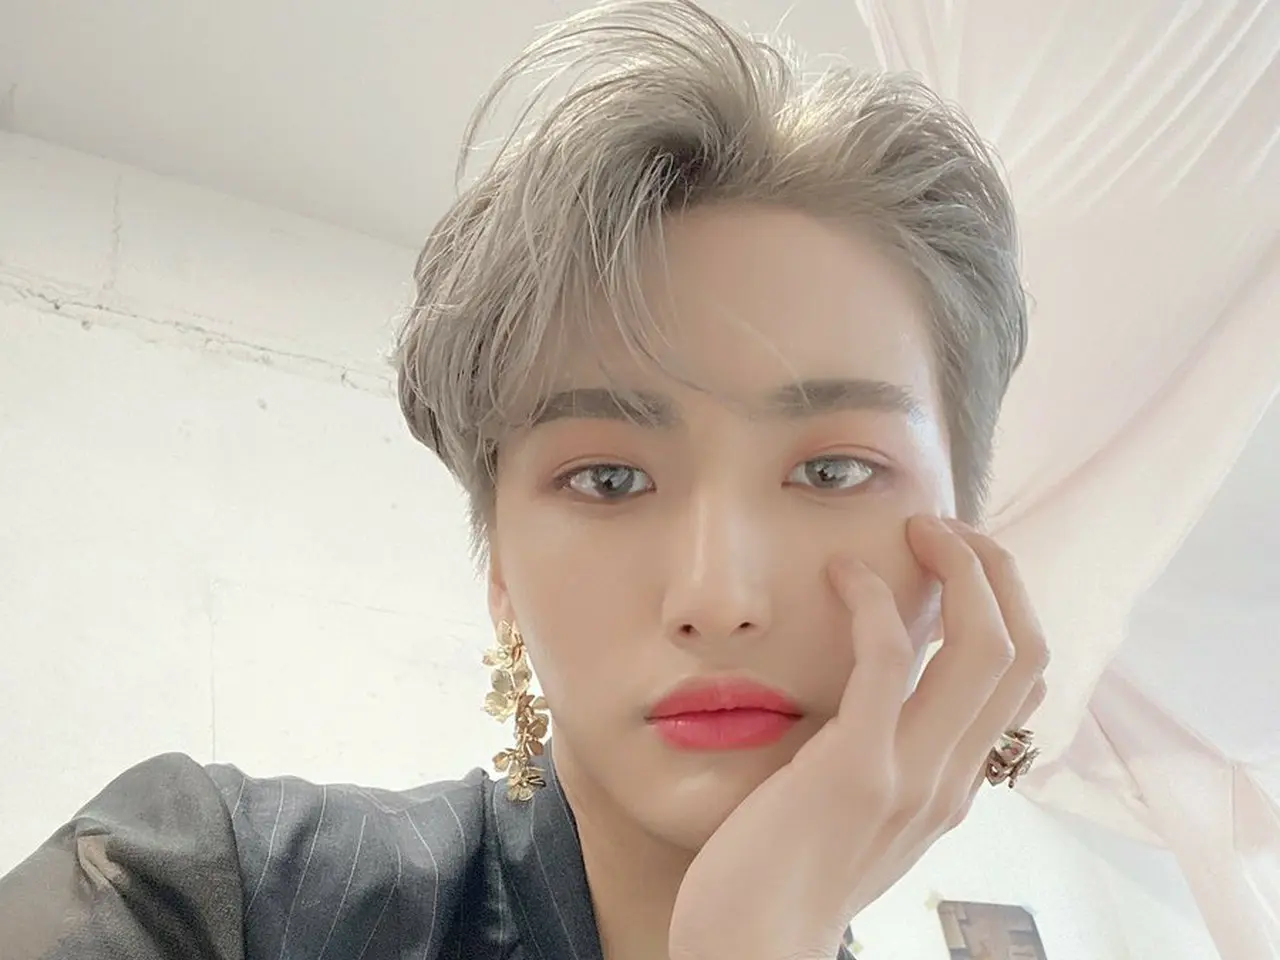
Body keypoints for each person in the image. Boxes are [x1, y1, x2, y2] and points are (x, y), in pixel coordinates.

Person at [0, 1, 1048, 958]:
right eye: (609, 479)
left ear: (959, 549)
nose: (718, 599)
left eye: (831, 469)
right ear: (499, 567)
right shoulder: (199, 890)